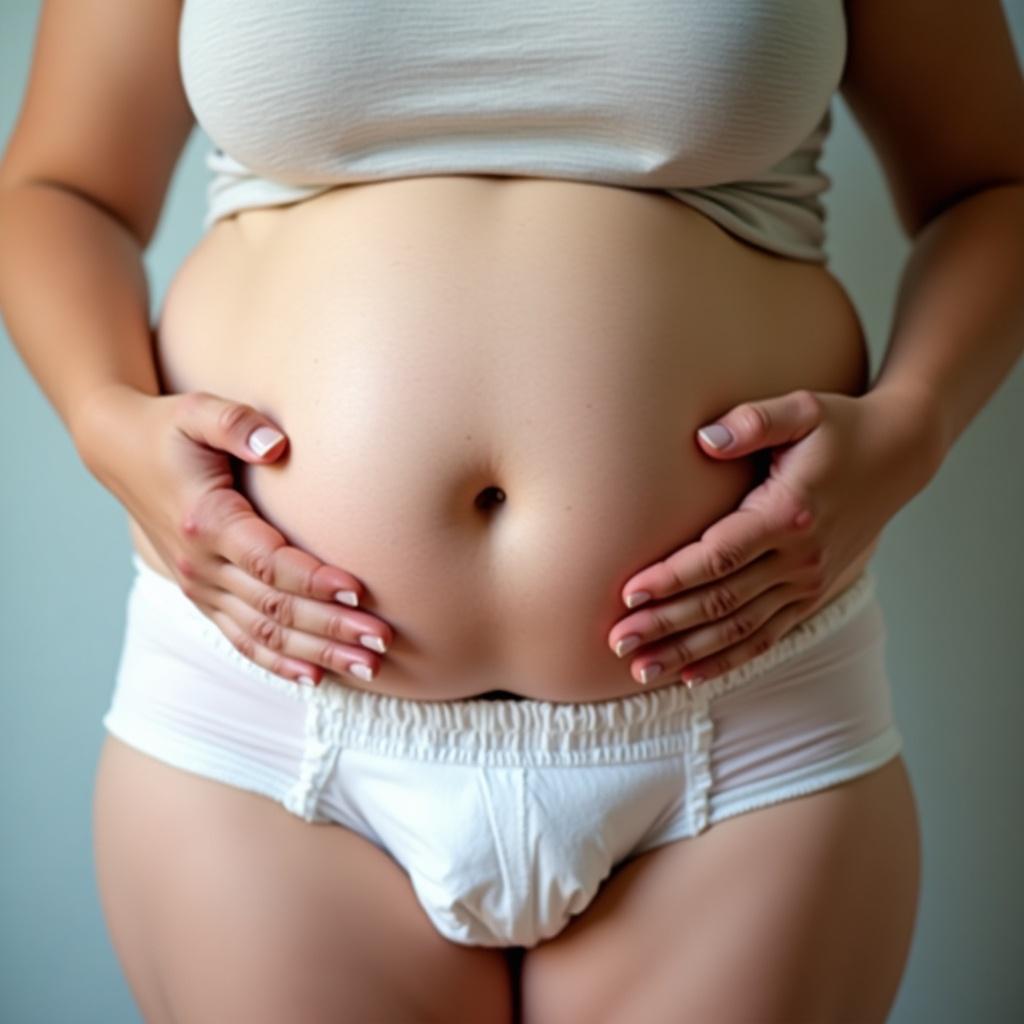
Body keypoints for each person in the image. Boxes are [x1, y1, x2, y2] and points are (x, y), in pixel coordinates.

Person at [1, 0, 1022, 1021]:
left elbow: (993, 184)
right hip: (272, 718)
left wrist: (913, 426)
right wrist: (106, 424)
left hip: (742, 720)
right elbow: (60, 186)